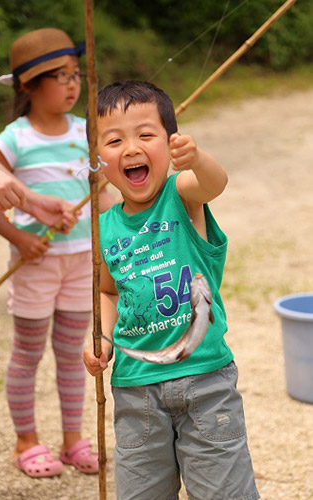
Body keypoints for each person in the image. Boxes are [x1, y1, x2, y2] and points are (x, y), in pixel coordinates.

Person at [83, 80, 260, 500]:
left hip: (205, 382)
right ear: (97, 159)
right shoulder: (103, 227)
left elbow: (214, 183)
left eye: (146, 135)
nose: (130, 148)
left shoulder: (181, 195)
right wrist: (103, 338)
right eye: (113, 140)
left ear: (170, 143)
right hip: (135, 389)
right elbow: (108, 294)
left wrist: (196, 158)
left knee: (224, 492)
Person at [0, 28, 115, 478]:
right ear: (27, 86)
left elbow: (103, 195)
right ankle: (26, 441)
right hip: (36, 263)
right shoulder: (14, 139)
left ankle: (73, 439)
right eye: (59, 76)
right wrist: (19, 238)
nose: (72, 85)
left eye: (75, 75)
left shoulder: (87, 134)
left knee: (72, 355)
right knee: (27, 354)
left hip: (82, 264)